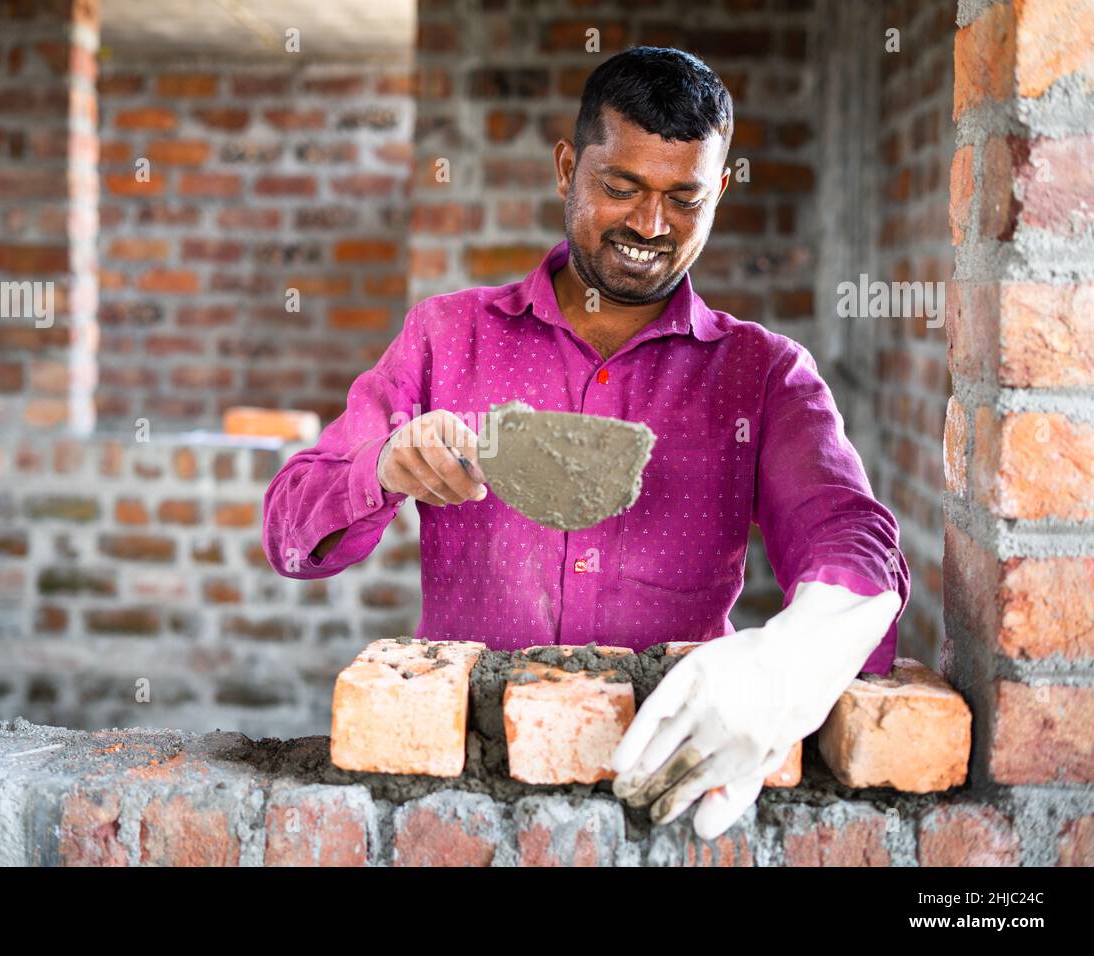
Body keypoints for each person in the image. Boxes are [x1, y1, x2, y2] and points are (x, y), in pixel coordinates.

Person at [262, 46, 909, 840]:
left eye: (684, 199)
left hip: (672, 780)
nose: (650, 224)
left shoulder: (762, 374)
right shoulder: (445, 337)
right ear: (567, 165)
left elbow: (853, 539)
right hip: (470, 795)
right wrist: (384, 467)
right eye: (621, 187)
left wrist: (789, 665)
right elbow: (291, 534)